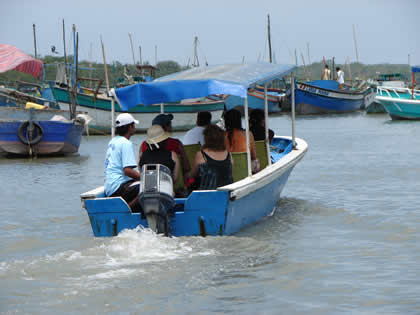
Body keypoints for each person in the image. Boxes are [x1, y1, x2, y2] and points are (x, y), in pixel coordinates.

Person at [104, 113, 141, 212]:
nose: (134, 127)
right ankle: (127, 209)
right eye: (133, 125)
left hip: (110, 188)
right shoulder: (126, 143)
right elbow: (128, 171)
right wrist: (144, 178)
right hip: (118, 187)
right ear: (130, 127)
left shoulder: (113, 141)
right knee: (149, 188)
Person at [187, 124, 233, 190]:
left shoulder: (201, 154)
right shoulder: (228, 155)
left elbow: (192, 175)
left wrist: (185, 175)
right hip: (226, 193)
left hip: (206, 193)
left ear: (206, 139)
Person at [224, 108, 259, 173]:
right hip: (246, 170)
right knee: (256, 161)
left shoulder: (222, 136)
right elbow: (253, 156)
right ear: (239, 120)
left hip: (228, 171)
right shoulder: (248, 134)